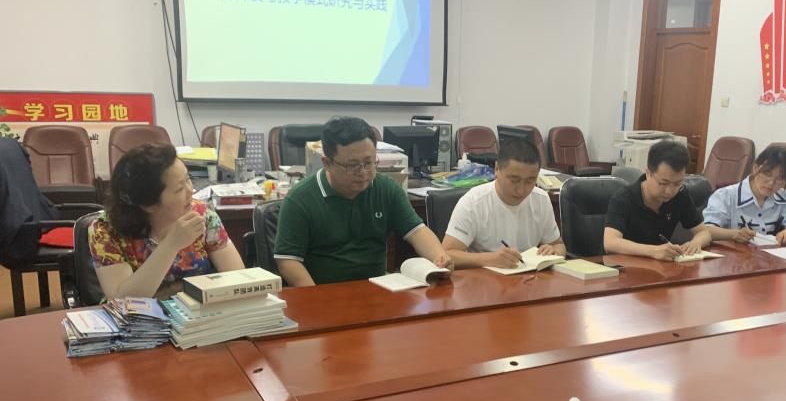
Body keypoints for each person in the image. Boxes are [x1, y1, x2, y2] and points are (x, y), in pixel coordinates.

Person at [274, 116, 452, 286]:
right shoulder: (300, 199)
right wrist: (317, 296)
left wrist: (439, 258)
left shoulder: (386, 189)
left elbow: (417, 232)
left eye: (369, 162)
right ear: (327, 163)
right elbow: (287, 261)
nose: (363, 172)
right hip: (324, 290)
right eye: (352, 165)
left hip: (379, 286)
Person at [89, 143, 244, 299]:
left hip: (198, 310)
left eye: (188, 179)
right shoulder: (106, 231)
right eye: (179, 189)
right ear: (148, 205)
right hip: (139, 314)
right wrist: (171, 244)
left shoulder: (202, 216)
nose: (191, 191)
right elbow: (123, 302)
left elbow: (238, 280)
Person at [442, 138, 565, 268]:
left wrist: (554, 251)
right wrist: (489, 259)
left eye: (530, 181)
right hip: (485, 277)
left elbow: (558, 245)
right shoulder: (473, 202)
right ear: (497, 169)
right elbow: (447, 254)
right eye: (514, 180)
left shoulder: (541, 199)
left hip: (529, 277)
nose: (521, 190)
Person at [603, 139, 713, 260]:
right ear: (648, 173)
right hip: (621, 265)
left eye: (677, 183)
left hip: (658, 265)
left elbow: (704, 232)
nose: (669, 191)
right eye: (663, 183)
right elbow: (610, 243)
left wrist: (695, 243)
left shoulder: (680, 195)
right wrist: (653, 251)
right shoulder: (624, 198)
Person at [701, 145, 786, 246]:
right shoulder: (726, 195)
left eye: (780, 178)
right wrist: (734, 234)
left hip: (767, 254)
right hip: (732, 254)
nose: (771, 183)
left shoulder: (783, 196)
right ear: (755, 168)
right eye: (767, 174)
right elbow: (706, 230)